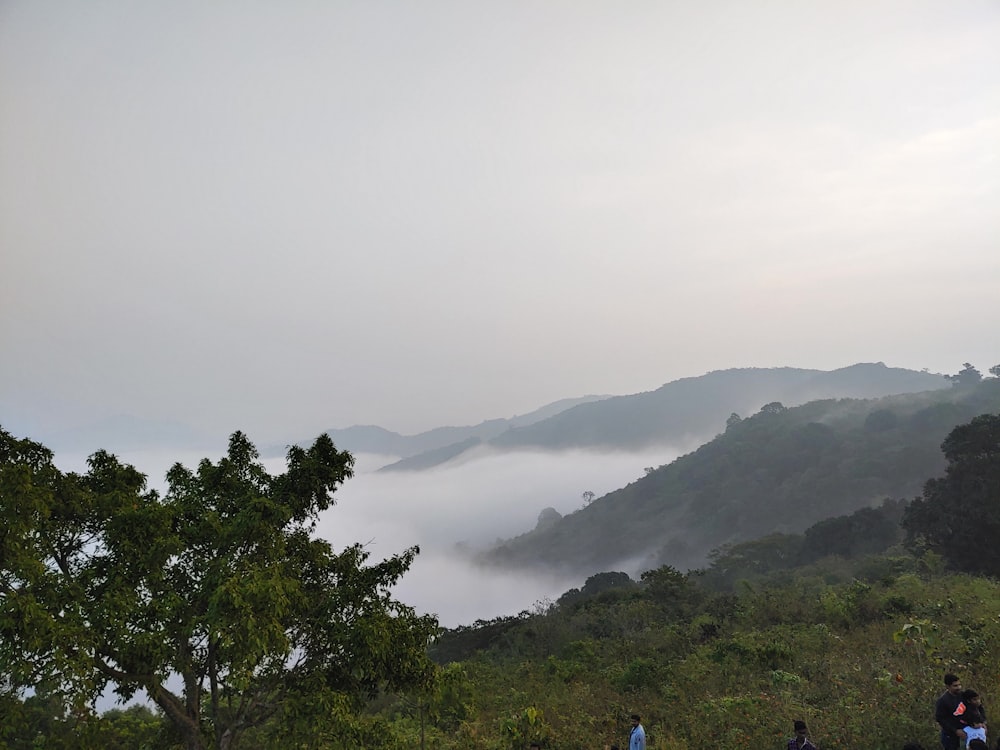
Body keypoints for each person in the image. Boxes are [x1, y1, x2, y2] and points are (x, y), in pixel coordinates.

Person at [936, 673, 968, 750]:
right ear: (948, 686)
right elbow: (941, 719)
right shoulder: (943, 701)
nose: (959, 687)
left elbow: (976, 707)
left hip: (966, 732)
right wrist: (955, 730)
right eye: (955, 686)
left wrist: (982, 722)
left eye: (959, 685)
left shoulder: (964, 696)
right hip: (950, 736)